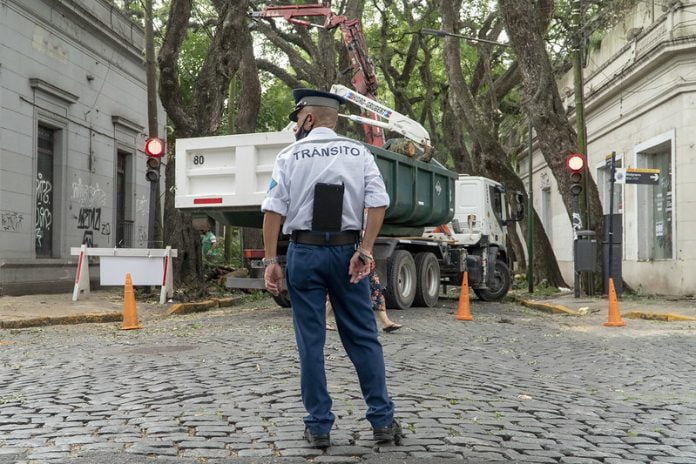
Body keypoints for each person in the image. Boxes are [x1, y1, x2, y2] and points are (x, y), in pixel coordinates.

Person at [261, 88, 402, 448]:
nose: (296, 125)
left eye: (297, 119)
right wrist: (366, 251)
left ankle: (319, 426)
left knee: (310, 341)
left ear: (307, 118)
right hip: (347, 254)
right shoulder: (359, 153)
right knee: (362, 337)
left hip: (304, 253)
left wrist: (271, 261)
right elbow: (378, 203)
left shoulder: (289, 155)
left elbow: (273, 209)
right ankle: (382, 422)